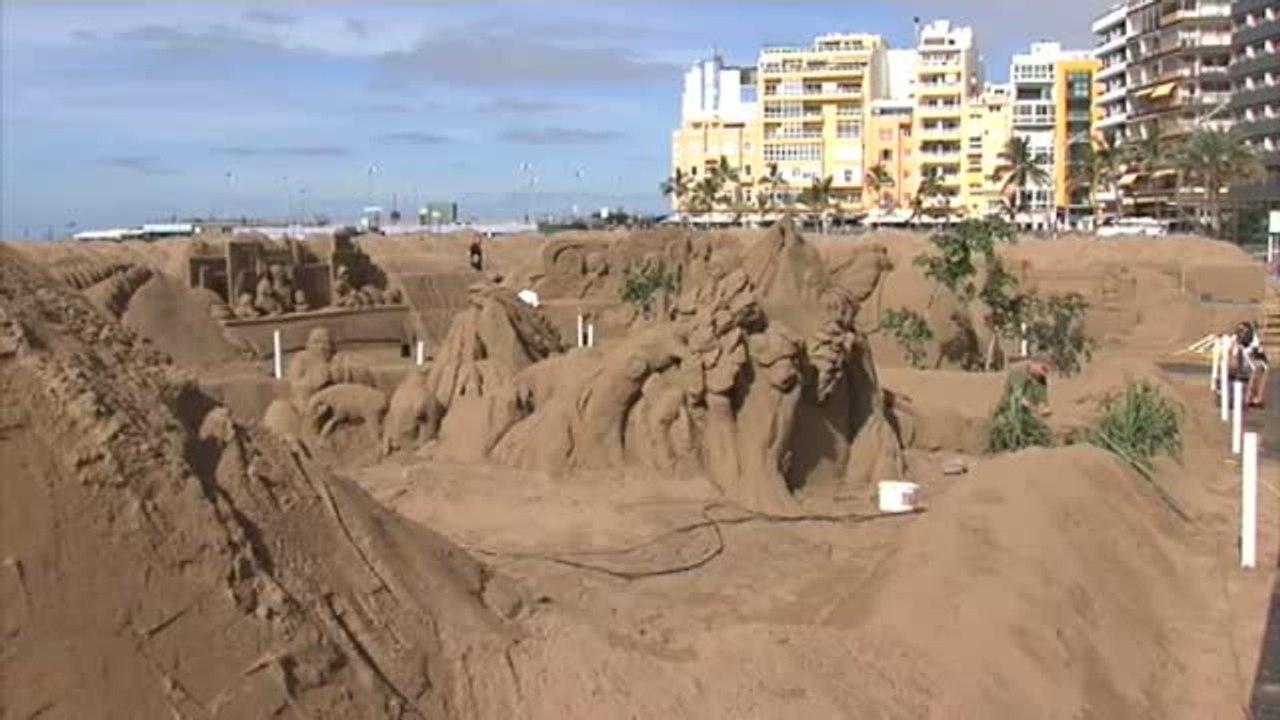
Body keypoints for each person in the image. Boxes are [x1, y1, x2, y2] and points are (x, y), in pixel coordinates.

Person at [1237, 321, 1269, 408]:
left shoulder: (1249, 333)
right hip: (1251, 352)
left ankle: (1252, 397)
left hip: (1248, 352)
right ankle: (1254, 398)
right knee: (1258, 371)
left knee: (1258, 371)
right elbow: (1255, 350)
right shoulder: (1252, 336)